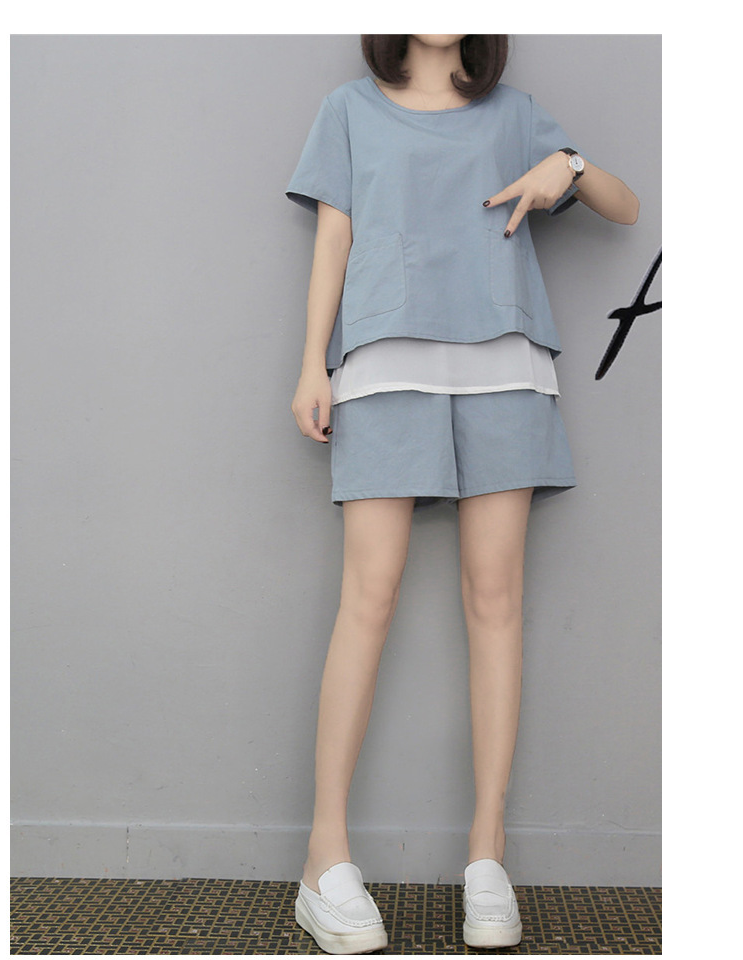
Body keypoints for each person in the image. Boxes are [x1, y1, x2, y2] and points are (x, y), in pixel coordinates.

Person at [285, 35, 639, 954]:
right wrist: (312, 364)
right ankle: (324, 859)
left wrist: (569, 165)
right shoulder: (349, 110)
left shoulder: (514, 114)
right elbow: (334, 236)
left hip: (505, 368)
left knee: (496, 600)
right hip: (382, 361)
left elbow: (624, 207)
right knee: (368, 597)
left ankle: (487, 855)